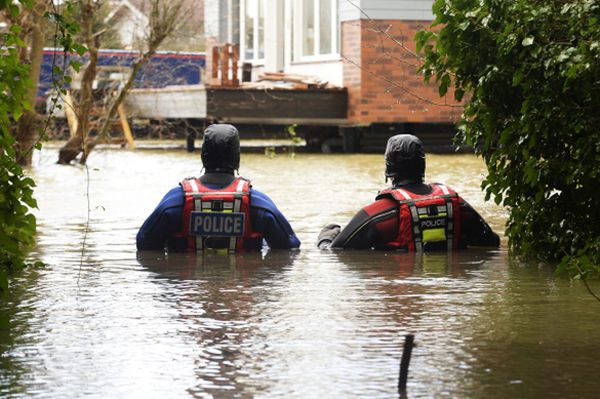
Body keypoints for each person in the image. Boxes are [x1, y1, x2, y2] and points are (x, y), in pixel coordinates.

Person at [317, 134, 500, 251]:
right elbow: (491, 243)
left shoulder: (377, 214)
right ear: (422, 165)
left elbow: (335, 251)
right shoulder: (457, 205)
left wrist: (325, 237)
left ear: (389, 170)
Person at [137, 124, 300, 252]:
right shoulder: (259, 204)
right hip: (239, 290)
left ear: (203, 156)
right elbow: (290, 247)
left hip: (187, 290)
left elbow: (144, 245)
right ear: (237, 157)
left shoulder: (174, 202)